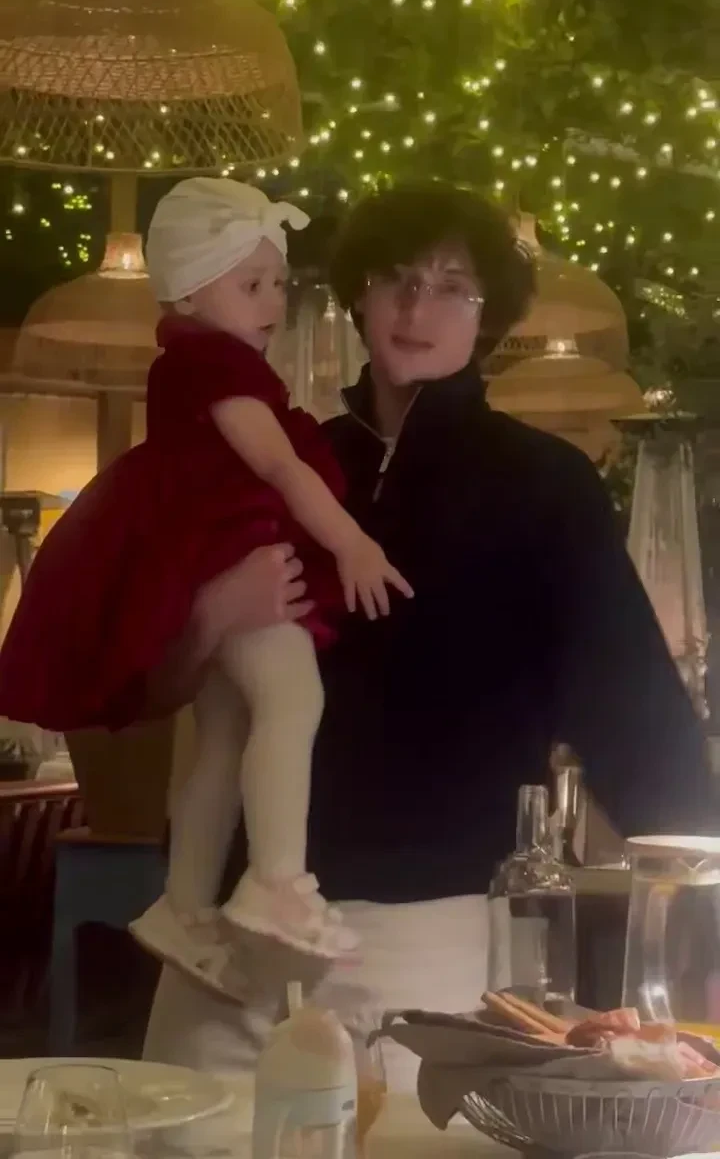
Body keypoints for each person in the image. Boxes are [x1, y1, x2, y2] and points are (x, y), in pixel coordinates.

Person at [142, 182, 714, 1088]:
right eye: (397, 280)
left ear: (489, 316)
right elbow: (151, 678)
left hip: (424, 945)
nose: (417, 308)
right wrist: (214, 615)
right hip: (231, 934)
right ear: (359, 294)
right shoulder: (280, 458)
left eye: (452, 286)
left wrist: (702, 897)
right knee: (163, 1144)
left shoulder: (542, 484)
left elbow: (628, 705)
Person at [0, 178, 414, 997]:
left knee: (225, 734)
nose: (272, 304)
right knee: (293, 699)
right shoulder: (214, 365)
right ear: (190, 293)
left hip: (210, 556)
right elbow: (279, 466)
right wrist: (352, 542)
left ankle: (185, 904)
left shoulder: (192, 363)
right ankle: (278, 880)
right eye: (250, 285)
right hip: (237, 548)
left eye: (277, 285)